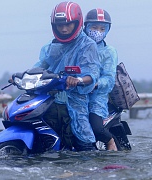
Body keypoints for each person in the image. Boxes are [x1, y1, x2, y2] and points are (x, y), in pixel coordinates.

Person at [33, 1, 101, 151]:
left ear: (77, 23)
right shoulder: (50, 47)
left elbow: (92, 73)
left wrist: (78, 80)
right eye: (60, 25)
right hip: (50, 98)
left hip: (75, 99)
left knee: (82, 137)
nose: (63, 29)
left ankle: (90, 160)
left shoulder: (87, 45)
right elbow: (40, 65)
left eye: (68, 24)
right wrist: (24, 76)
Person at [84, 8, 118, 150]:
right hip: (74, 93)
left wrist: (96, 84)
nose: (97, 31)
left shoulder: (109, 52)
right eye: (94, 27)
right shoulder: (78, 47)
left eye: (102, 28)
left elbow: (109, 78)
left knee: (96, 129)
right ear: (85, 27)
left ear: (107, 30)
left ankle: (111, 143)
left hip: (97, 97)